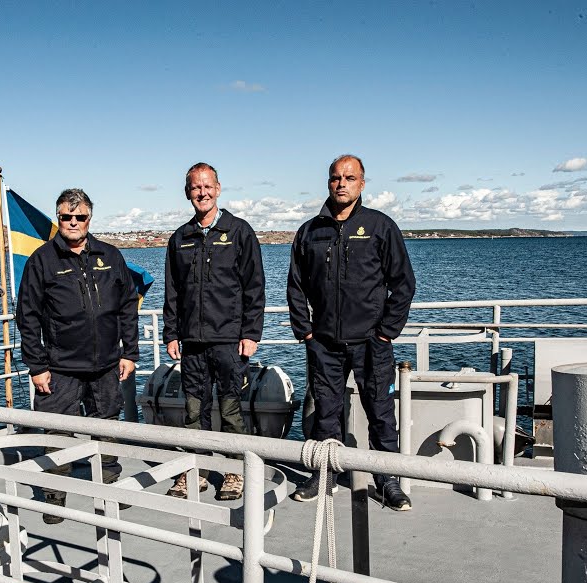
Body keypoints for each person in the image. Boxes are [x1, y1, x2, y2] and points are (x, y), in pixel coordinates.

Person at [286, 155, 417, 511]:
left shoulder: (379, 226)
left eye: (349, 177)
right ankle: (324, 476)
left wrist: (386, 333)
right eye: (335, 178)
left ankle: (387, 480)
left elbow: (403, 284)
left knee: (380, 412)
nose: (341, 183)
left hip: (371, 343)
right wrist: (307, 334)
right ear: (328, 183)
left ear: (362, 183)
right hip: (324, 344)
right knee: (326, 413)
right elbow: (295, 287)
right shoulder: (310, 231)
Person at [15, 188, 140, 523]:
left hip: (106, 365)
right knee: (58, 432)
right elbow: (27, 316)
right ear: (58, 219)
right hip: (60, 368)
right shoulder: (42, 260)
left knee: (108, 425)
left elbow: (128, 306)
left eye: (79, 216)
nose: (73, 222)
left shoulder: (110, 256)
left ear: (89, 218)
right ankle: (55, 496)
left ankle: (110, 485)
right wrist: (37, 366)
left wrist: (130, 352)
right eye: (66, 217)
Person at [161, 162, 266, 501]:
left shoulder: (239, 232)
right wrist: (171, 333)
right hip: (191, 341)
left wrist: (251, 333)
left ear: (218, 189)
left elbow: (254, 286)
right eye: (195, 187)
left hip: (229, 340)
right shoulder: (181, 238)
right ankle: (197, 470)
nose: (202, 193)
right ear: (187, 193)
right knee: (194, 409)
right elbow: (173, 290)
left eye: (207, 186)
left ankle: (235, 470)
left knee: (232, 408)